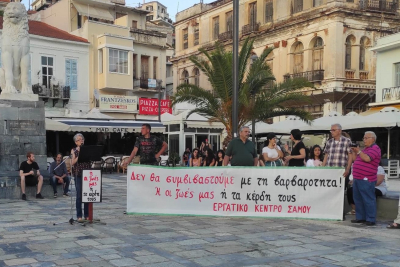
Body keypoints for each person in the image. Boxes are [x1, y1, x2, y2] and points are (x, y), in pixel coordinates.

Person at [350, 131, 381, 226]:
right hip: (358, 178)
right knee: (358, 198)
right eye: (364, 138)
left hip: (366, 178)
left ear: (373, 139)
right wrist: (354, 152)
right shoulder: (365, 149)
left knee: (368, 199)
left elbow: (367, 159)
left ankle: (371, 219)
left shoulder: (375, 148)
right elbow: (356, 160)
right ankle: (360, 217)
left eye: (366, 138)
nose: (364, 140)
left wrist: (359, 151)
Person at [71, 133, 90, 222]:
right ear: (76, 142)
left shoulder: (86, 149)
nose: (81, 141)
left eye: (82, 139)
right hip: (78, 174)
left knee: (86, 194)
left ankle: (87, 214)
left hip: (87, 173)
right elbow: (72, 162)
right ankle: (79, 215)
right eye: (79, 140)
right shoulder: (74, 150)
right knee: (79, 195)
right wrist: (78, 154)